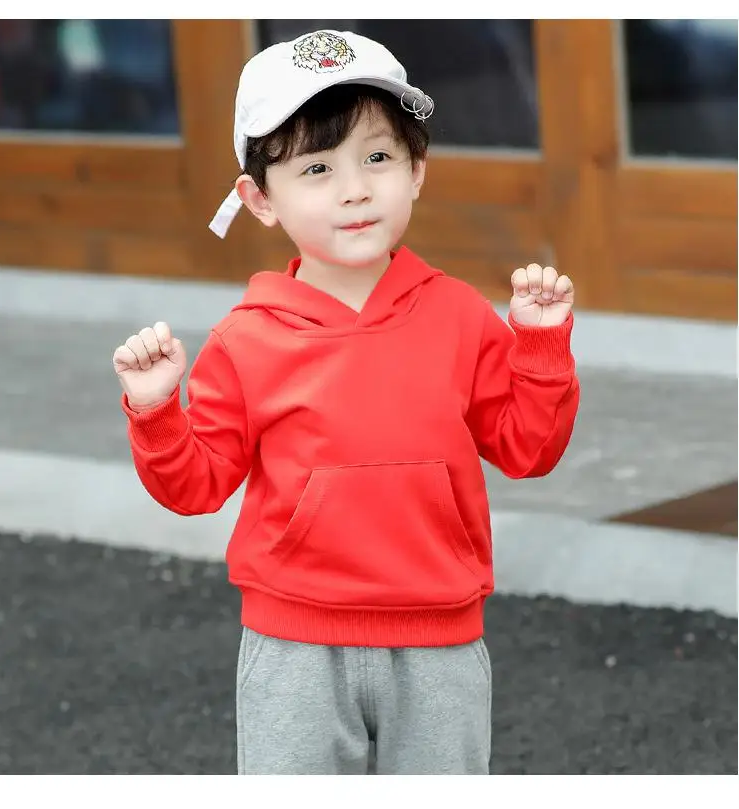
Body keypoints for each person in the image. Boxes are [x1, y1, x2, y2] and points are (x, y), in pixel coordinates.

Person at [112, 29, 580, 775]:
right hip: (293, 641)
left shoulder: (461, 316)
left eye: (377, 158)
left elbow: (529, 450)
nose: (354, 188)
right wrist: (157, 411)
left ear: (417, 170)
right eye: (317, 167)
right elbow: (195, 488)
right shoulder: (244, 340)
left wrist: (541, 347)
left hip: (439, 638)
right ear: (259, 199)